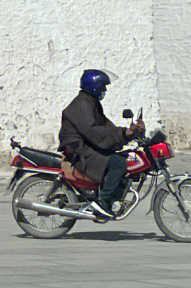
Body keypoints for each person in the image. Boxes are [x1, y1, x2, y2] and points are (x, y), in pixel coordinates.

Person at [58, 69, 144, 220]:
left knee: (122, 157)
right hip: (79, 150)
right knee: (118, 164)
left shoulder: (90, 102)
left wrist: (128, 133)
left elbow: (106, 128)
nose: (104, 90)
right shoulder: (83, 105)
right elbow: (96, 133)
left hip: (86, 146)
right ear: (94, 86)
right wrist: (124, 134)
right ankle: (103, 202)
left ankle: (111, 195)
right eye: (103, 86)